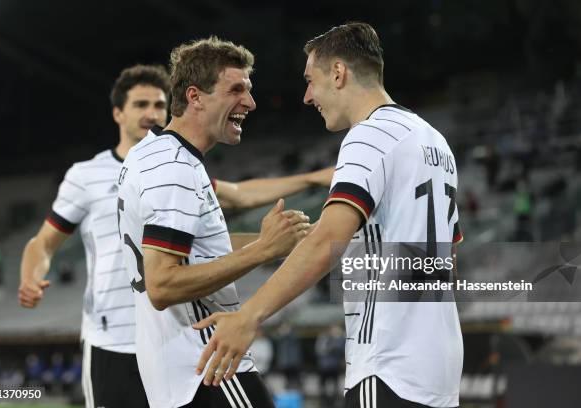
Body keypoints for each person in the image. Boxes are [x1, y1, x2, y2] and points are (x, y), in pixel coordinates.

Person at [18, 63, 332, 408]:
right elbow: (43, 242)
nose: (151, 112)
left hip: (162, 336)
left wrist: (313, 182)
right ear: (117, 113)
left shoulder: (160, 163)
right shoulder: (112, 173)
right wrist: (31, 275)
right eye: (140, 105)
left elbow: (238, 199)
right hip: (117, 337)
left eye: (157, 104)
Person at [195, 22, 464, 408]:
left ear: (338, 73)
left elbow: (327, 241)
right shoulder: (435, 141)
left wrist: (248, 317)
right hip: (440, 366)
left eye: (310, 80)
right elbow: (448, 259)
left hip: (388, 364)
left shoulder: (369, 135)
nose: (306, 96)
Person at [117, 36, 311, 408]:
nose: (250, 103)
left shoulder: (149, 153)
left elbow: (196, 251)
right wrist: (262, 250)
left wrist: (281, 239)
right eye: (236, 89)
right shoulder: (174, 169)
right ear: (195, 97)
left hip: (179, 375)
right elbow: (163, 285)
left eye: (249, 90)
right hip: (210, 370)